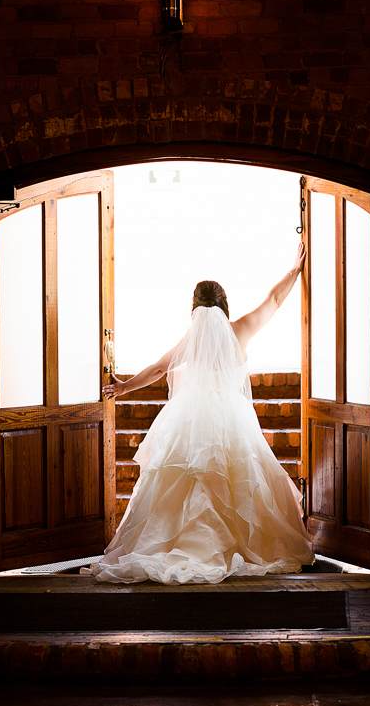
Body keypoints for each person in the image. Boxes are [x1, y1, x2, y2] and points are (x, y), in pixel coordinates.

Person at [84, 242, 314, 585]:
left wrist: (123, 388)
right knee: (239, 479)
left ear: (194, 308)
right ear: (224, 306)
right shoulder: (240, 331)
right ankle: (236, 544)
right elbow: (274, 301)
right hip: (233, 420)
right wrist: (294, 270)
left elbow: (160, 369)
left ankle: (181, 545)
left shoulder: (192, 337)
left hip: (189, 422)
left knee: (187, 483)